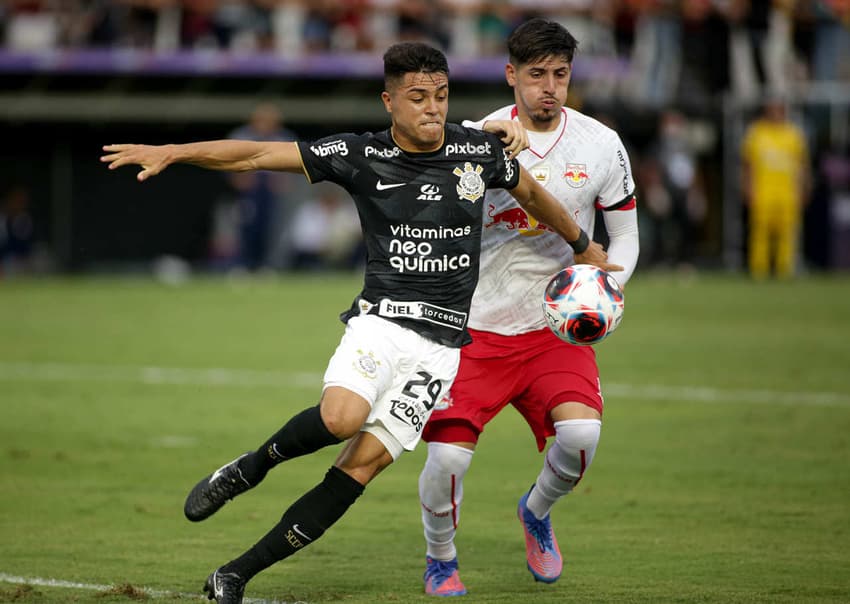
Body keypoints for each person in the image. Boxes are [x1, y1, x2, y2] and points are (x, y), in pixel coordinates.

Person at [101, 41, 621, 604]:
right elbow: (255, 155)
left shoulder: (479, 152)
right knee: (342, 418)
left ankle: (235, 574)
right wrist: (177, 152)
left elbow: (534, 194)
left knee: (361, 468)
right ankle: (247, 470)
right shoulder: (359, 154)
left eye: (441, 96)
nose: (433, 109)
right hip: (383, 323)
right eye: (418, 97)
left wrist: (582, 245)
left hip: (442, 350)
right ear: (389, 101)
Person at [416, 18, 640, 597]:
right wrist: (478, 150)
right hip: (474, 329)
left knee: (582, 436)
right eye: (536, 75)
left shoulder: (600, 144)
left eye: (560, 75)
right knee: (446, 460)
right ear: (512, 75)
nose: (549, 88)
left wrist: (608, 292)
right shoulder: (474, 139)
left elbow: (626, 236)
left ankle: (537, 511)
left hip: (552, 332)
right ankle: (441, 558)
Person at [740, 96, 810, 279]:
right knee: (760, 232)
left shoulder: (793, 134)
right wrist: (748, 187)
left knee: (787, 232)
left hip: (787, 191)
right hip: (763, 190)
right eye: (772, 110)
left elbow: (802, 165)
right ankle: (759, 270)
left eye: (779, 110)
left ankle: (784, 270)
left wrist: (803, 188)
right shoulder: (757, 133)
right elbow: (748, 165)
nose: (775, 113)